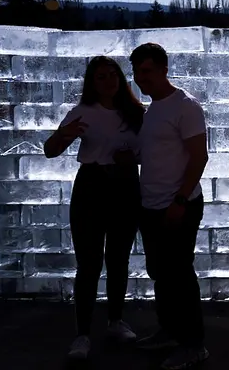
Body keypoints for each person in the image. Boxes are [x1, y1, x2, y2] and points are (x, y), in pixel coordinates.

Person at [43, 56, 144, 360]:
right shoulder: (82, 112)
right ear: (91, 82)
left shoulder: (137, 113)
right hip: (91, 185)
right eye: (101, 76)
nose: (109, 80)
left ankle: (115, 321)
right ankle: (82, 335)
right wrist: (65, 134)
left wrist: (133, 160)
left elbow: (150, 153)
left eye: (113, 75)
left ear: (122, 79)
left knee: (118, 259)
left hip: (125, 186)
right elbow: (50, 150)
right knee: (88, 264)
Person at [129, 43, 210, 369]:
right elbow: (154, 154)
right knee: (161, 274)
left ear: (163, 69)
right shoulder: (152, 111)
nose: (140, 78)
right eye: (136, 72)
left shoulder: (185, 106)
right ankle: (169, 331)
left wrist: (179, 200)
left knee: (179, 276)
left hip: (178, 205)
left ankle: (194, 345)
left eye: (146, 71)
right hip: (151, 205)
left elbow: (199, 156)